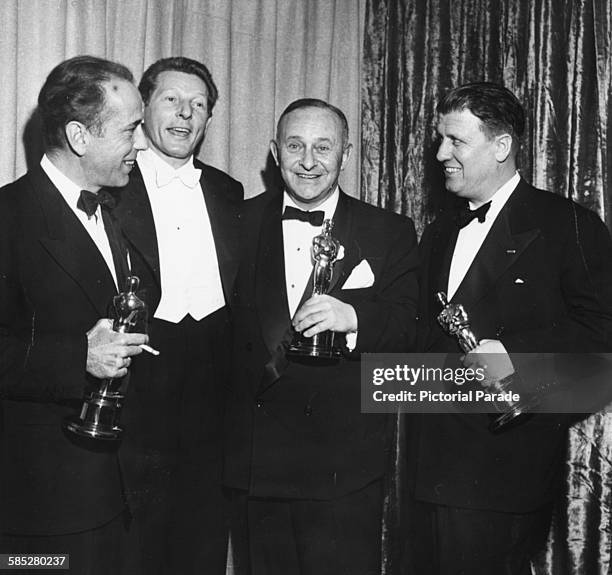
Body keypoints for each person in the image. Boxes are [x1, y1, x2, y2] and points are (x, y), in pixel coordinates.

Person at [407, 82, 612, 574]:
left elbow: (604, 333)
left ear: (501, 146)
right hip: (425, 471)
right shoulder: (439, 231)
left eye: (455, 141)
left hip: (502, 475)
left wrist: (515, 354)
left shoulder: (569, 225)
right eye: (440, 140)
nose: (440, 154)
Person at [223, 98, 419, 575]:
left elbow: (411, 330)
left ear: (346, 155)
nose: (308, 162)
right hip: (259, 465)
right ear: (274, 152)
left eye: (323, 147)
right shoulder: (236, 223)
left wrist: (355, 320)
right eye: (295, 146)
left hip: (344, 469)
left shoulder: (389, 231)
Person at [0, 55, 148, 574]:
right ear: (80, 137)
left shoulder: (114, 208)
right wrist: (79, 356)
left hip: (113, 494)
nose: (142, 143)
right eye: (131, 130)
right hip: (40, 507)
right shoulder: (7, 218)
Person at [113, 57, 243, 574]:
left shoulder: (228, 191)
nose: (185, 114)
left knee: (204, 532)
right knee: (138, 537)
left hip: (213, 379)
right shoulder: (112, 188)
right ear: (144, 108)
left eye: (199, 105)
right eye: (172, 100)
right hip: (140, 376)